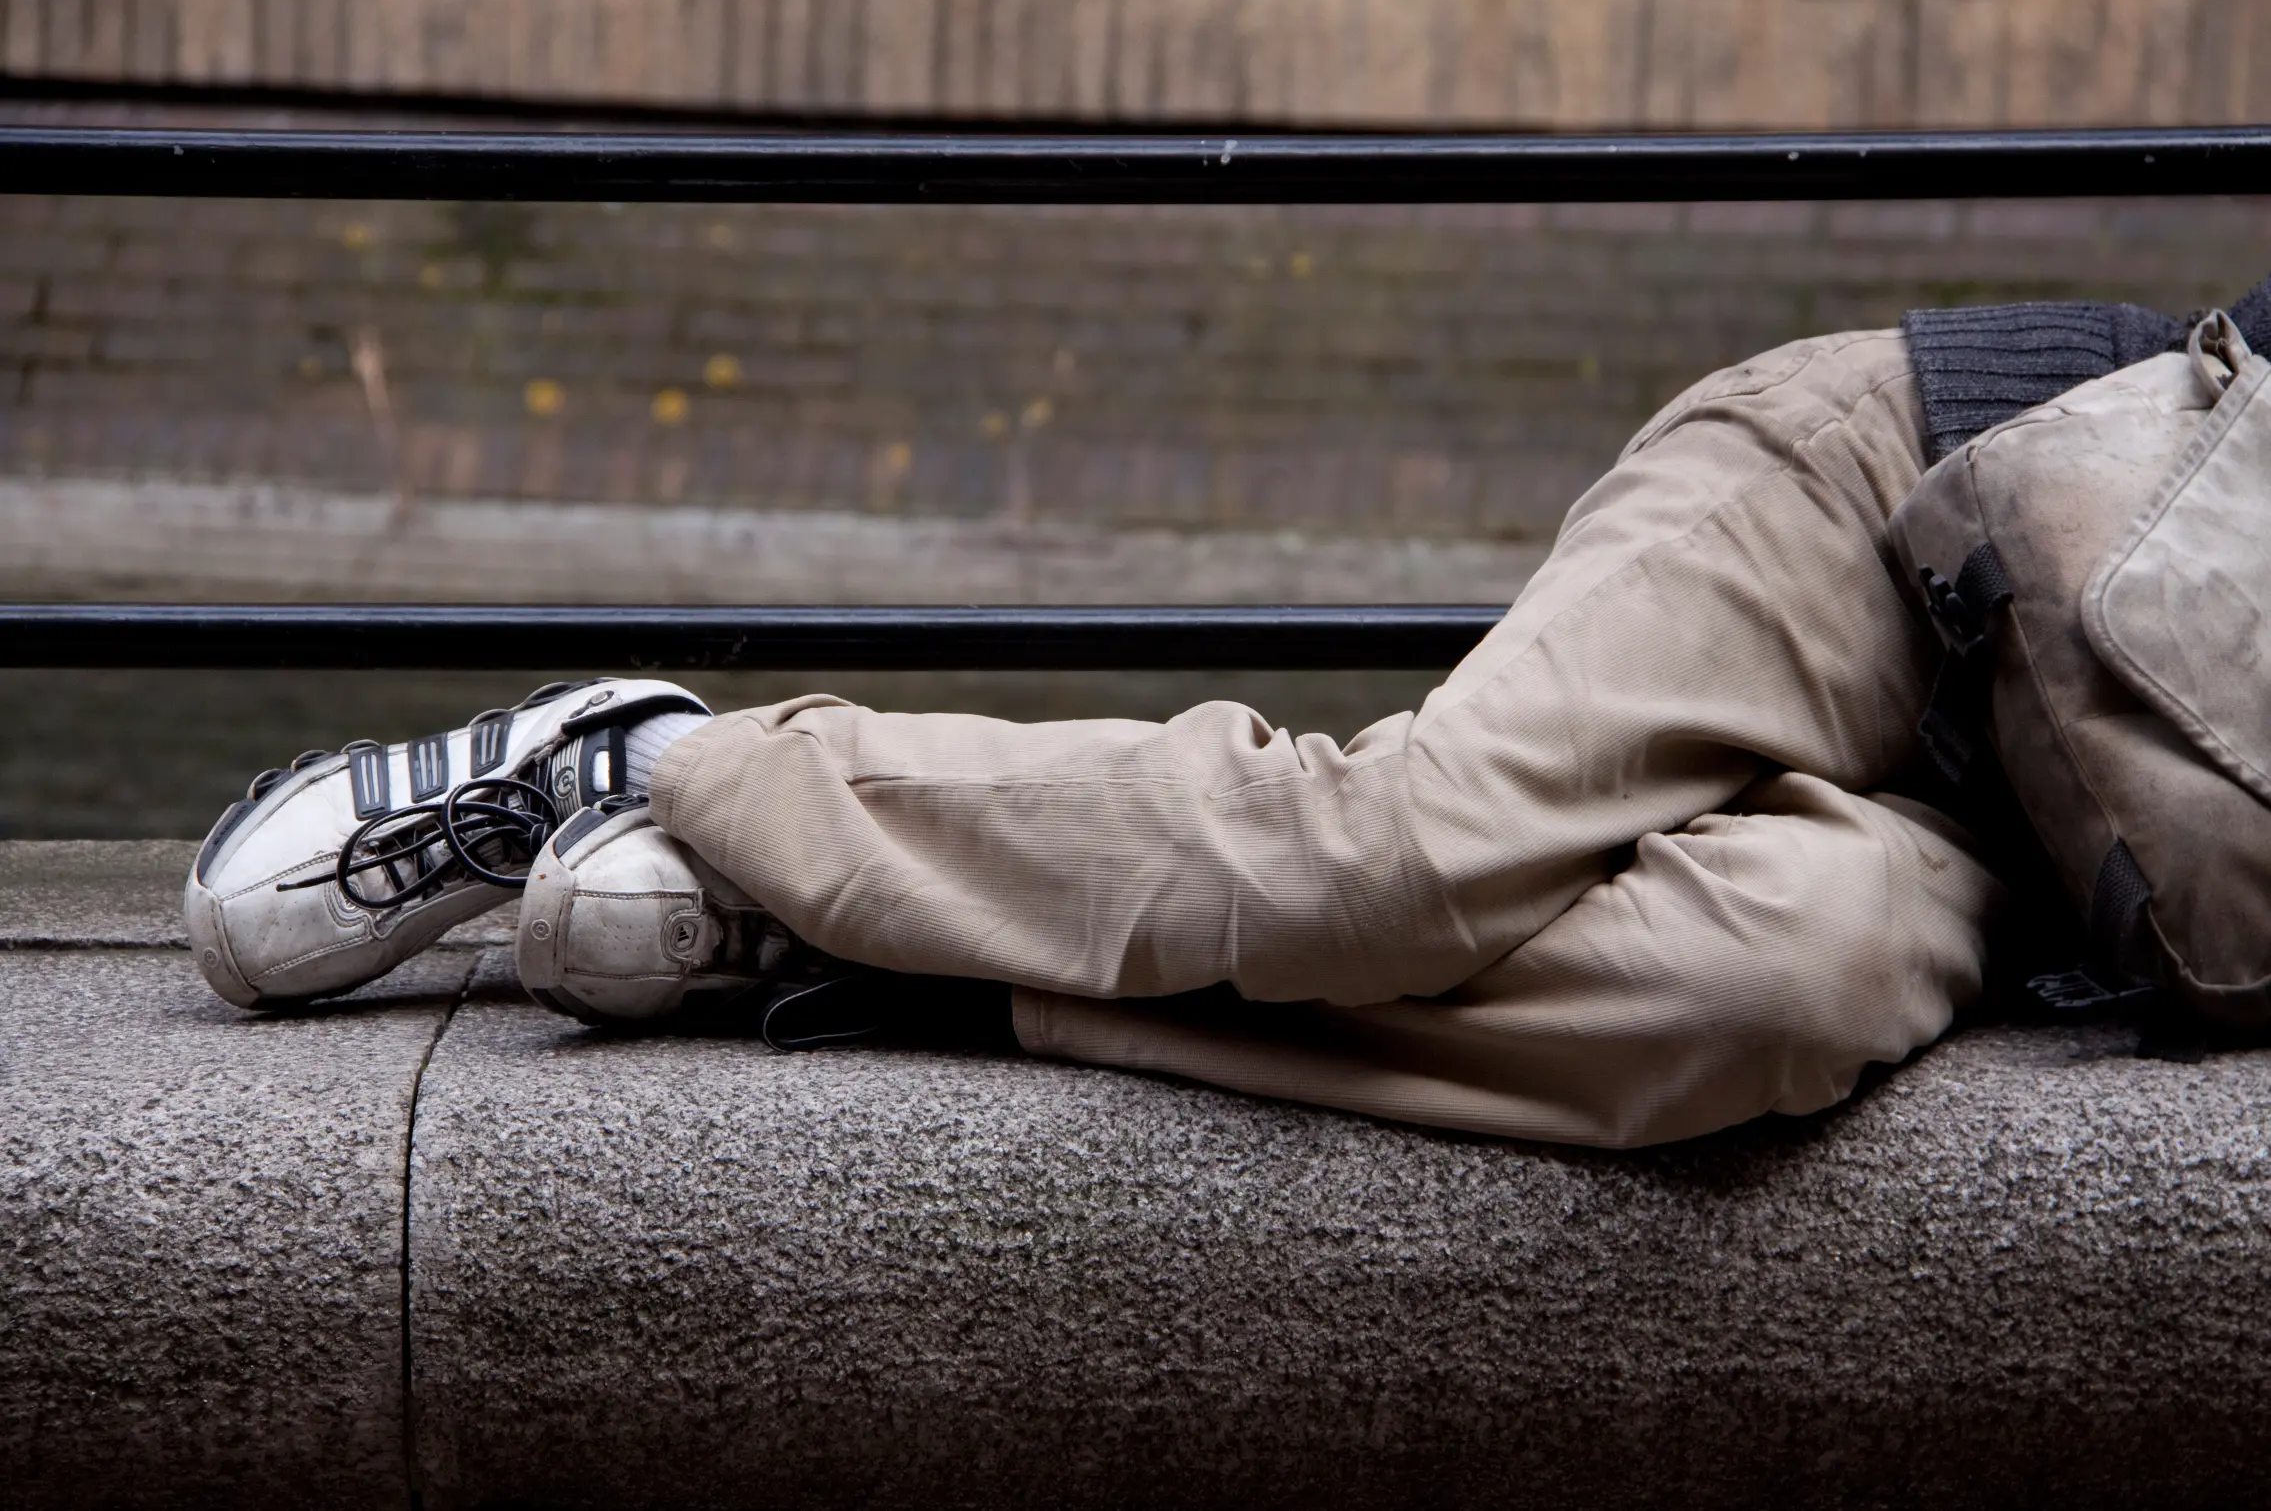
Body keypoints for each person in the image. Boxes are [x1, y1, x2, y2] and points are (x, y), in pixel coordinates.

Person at [183, 279, 2271, 1148]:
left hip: (2033, 857)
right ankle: (640, 761)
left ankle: (850, 938)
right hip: (1902, 506)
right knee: (1400, 862)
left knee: (1758, 1010)